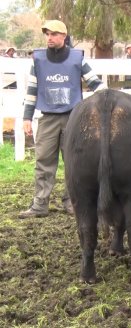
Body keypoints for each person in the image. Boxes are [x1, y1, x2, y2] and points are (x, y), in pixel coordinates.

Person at [19, 20, 105, 219]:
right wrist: (26, 117)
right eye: (47, 34)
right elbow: (32, 91)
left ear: (63, 36)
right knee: (43, 161)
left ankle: (72, 202)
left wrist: (108, 98)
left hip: (73, 118)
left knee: (73, 162)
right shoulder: (38, 60)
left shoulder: (77, 59)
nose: (49, 37)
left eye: (54, 34)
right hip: (47, 118)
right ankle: (40, 204)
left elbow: (95, 82)